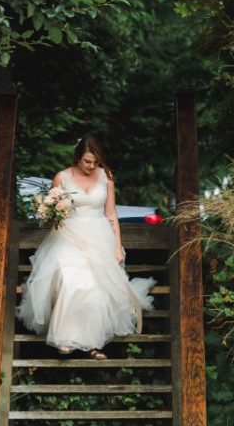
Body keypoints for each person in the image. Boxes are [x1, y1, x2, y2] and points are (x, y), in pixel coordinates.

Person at [17, 136, 156, 359]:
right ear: (78, 158)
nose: (92, 166)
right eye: (87, 162)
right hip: (68, 236)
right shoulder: (62, 177)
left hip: (99, 236)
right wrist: (52, 210)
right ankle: (66, 340)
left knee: (93, 286)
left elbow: (111, 214)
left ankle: (92, 344)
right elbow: (53, 213)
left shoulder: (106, 177)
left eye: (95, 162)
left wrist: (117, 247)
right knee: (70, 281)